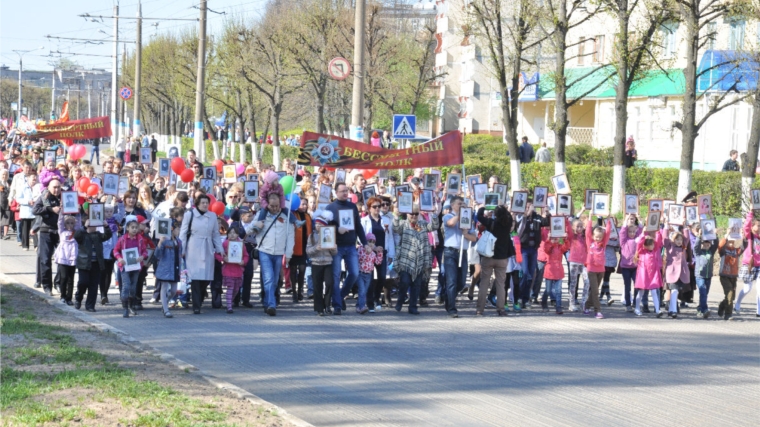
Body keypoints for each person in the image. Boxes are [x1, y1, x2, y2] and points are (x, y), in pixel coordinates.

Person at [326, 182, 368, 315]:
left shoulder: (352, 206)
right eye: (342, 191)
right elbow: (324, 228)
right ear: (336, 193)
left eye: (346, 191)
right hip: (336, 246)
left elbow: (359, 226)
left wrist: (365, 242)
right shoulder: (330, 208)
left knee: (355, 273)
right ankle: (337, 305)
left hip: (350, 245)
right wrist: (337, 230)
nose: (345, 193)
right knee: (336, 276)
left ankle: (340, 296)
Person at [249, 193, 294, 316]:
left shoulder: (286, 216)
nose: (274, 208)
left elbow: (290, 237)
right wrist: (255, 225)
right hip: (265, 251)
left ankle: (267, 300)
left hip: (279, 252)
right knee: (268, 279)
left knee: (275, 280)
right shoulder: (261, 215)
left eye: (277, 206)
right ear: (267, 204)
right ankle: (271, 304)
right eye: (272, 206)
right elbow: (248, 230)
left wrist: (289, 254)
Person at [180, 194, 224, 314]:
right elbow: (183, 233)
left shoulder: (213, 216)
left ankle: (200, 297)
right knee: (195, 277)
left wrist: (220, 249)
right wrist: (181, 250)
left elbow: (215, 234)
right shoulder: (190, 214)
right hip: (193, 246)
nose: (205, 205)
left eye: (206, 203)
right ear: (198, 203)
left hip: (207, 246)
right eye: (203, 202)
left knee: (206, 277)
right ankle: (196, 305)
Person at [393, 204, 439, 315]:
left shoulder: (422, 224)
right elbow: (395, 228)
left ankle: (412, 307)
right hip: (405, 260)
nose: (413, 216)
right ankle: (400, 300)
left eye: (416, 214)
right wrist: (396, 215)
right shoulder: (403, 224)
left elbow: (434, 226)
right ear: (407, 214)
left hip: (419, 261)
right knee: (404, 282)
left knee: (416, 285)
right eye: (411, 214)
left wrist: (433, 214)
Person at [441, 196, 477, 317]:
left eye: (463, 204)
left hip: (463, 252)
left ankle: (448, 297)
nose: (461, 205)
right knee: (451, 281)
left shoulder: (468, 219)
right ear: (452, 205)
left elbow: (474, 237)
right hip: (450, 252)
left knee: (461, 282)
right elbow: (450, 223)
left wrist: (466, 235)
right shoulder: (448, 216)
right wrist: (461, 214)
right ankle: (452, 308)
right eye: (459, 204)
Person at [475, 205, 514, 316]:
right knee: (500, 284)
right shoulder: (508, 223)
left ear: (495, 214)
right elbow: (509, 215)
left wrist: (484, 207)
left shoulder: (490, 222)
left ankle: (480, 309)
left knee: (484, 283)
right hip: (502, 258)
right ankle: (501, 309)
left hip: (488, 256)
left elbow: (479, 216)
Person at [360, 196, 394, 312]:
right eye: (374, 207)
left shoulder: (386, 220)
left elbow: (390, 238)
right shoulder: (364, 220)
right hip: (369, 253)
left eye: (379, 206)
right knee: (369, 278)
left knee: (382, 277)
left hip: (382, 253)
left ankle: (376, 297)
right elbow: (361, 238)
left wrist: (391, 254)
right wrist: (372, 247)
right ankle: (370, 303)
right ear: (369, 208)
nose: (377, 209)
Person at [73, 216, 112, 312]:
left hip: (96, 264)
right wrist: (84, 228)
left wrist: (106, 226)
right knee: (83, 282)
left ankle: (90, 305)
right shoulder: (82, 235)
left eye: (95, 225)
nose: (93, 227)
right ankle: (78, 297)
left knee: (93, 285)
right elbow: (76, 236)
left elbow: (108, 235)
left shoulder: (98, 235)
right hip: (84, 263)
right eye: (91, 225)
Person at [113, 215, 149, 318]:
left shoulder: (140, 239)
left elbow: (145, 251)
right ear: (127, 228)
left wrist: (142, 257)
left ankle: (131, 305)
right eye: (132, 227)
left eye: (136, 227)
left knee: (133, 288)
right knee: (126, 286)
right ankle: (125, 308)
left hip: (136, 267)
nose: (134, 229)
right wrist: (119, 258)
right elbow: (115, 250)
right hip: (125, 266)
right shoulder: (122, 239)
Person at [32, 178, 63, 295]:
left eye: (58, 187)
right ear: (49, 187)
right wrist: (50, 209)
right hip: (46, 231)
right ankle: (47, 286)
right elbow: (35, 210)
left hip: (61, 232)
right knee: (45, 261)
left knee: (62, 261)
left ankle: (58, 283)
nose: (56, 190)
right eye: (54, 187)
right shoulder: (44, 197)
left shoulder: (65, 196)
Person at [516, 203, 549, 308]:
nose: (528, 208)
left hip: (534, 249)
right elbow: (518, 227)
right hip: (523, 249)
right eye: (526, 207)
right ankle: (519, 297)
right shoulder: (520, 216)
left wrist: (547, 213)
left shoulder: (537, 218)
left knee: (531, 275)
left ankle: (526, 299)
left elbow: (546, 222)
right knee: (524, 273)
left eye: (530, 206)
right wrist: (525, 215)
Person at [307, 210, 337, 316]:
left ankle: (327, 305)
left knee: (329, 283)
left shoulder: (330, 234)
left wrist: (334, 248)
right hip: (316, 263)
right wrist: (316, 248)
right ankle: (319, 308)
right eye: (316, 224)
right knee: (317, 286)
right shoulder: (311, 236)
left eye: (320, 224)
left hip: (327, 262)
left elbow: (334, 252)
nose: (318, 226)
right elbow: (308, 251)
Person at [216, 222, 249, 314]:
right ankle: (229, 306)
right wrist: (223, 258)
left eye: (234, 233)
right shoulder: (225, 244)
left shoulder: (241, 244)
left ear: (238, 234)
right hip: (228, 269)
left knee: (236, 289)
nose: (232, 235)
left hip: (238, 270)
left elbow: (246, 256)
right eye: (230, 233)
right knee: (230, 288)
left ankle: (230, 301)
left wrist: (243, 261)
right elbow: (217, 254)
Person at [540, 218, 572, 314]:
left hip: (558, 270)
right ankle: (544, 302)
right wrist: (549, 240)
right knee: (548, 290)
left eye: (557, 238)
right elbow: (546, 249)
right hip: (549, 270)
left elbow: (566, 247)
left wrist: (565, 239)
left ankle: (558, 307)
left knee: (558, 290)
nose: (556, 239)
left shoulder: (560, 246)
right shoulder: (550, 245)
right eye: (555, 238)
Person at [584, 217, 612, 319]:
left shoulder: (603, 244)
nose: (598, 239)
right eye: (596, 237)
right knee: (595, 291)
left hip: (601, 270)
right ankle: (598, 311)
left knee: (594, 291)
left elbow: (608, 232)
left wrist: (608, 220)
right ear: (593, 236)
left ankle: (586, 306)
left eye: (600, 237)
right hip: (591, 269)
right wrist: (590, 218)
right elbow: (587, 232)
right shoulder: (590, 243)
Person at [734, 211, 760, 317]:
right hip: (748, 265)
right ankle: (738, 302)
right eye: (757, 225)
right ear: (753, 226)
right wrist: (751, 212)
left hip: (759, 266)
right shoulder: (749, 236)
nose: (759, 228)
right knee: (747, 289)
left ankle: (758, 310)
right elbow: (746, 226)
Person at [661, 225, 691, 318]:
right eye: (677, 239)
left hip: (681, 273)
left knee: (676, 291)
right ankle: (673, 310)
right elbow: (664, 238)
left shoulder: (683, 247)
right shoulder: (669, 246)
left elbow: (687, 238)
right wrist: (666, 226)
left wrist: (685, 227)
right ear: (673, 240)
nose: (679, 241)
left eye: (680, 240)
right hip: (672, 271)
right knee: (674, 290)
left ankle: (671, 310)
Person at [633, 230, 664, 317]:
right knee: (641, 292)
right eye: (650, 244)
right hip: (644, 275)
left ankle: (657, 310)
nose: (652, 246)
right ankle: (637, 308)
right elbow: (639, 243)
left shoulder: (654, 250)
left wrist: (657, 231)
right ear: (645, 245)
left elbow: (658, 241)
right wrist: (643, 233)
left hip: (653, 275)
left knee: (654, 292)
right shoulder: (641, 251)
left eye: (652, 244)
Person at [289, 198, 311, 302]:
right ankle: (293, 291)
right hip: (294, 246)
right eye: (302, 204)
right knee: (293, 270)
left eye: (306, 204)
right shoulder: (293, 215)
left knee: (302, 270)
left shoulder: (308, 216)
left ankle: (300, 290)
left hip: (304, 246)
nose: (304, 206)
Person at [619, 215, 643, 312]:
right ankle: (628, 304)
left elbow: (641, 231)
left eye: (634, 232)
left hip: (635, 266)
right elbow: (622, 232)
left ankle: (635, 303)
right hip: (625, 267)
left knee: (637, 285)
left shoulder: (637, 239)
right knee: (627, 286)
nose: (632, 233)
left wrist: (639, 219)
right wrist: (625, 220)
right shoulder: (624, 241)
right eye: (630, 232)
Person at [54, 214, 79, 305]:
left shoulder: (76, 232)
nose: (69, 225)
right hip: (63, 257)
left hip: (72, 257)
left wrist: (78, 212)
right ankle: (63, 296)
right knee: (63, 277)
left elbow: (79, 222)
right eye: (67, 223)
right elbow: (59, 222)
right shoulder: (62, 232)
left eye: (72, 223)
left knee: (70, 278)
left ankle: (69, 298)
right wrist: (61, 212)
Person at [356, 233, 383, 314]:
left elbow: (378, 262)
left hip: (368, 274)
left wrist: (380, 253)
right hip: (360, 273)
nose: (371, 243)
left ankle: (358, 305)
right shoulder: (361, 249)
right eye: (369, 241)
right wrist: (367, 252)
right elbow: (360, 259)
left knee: (364, 290)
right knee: (362, 290)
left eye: (373, 242)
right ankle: (362, 307)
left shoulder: (373, 253)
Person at [718, 234, 743, 320]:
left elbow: (745, 246)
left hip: (733, 276)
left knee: (731, 297)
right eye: (729, 242)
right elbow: (720, 246)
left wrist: (745, 237)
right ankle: (728, 314)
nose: (731, 244)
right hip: (724, 275)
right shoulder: (723, 251)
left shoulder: (737, 251)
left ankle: (722, 305)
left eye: (733, 242)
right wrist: (726, 236)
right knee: (729, 294)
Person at [693, 231, 718, 318]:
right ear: (702, 244)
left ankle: (700, 309)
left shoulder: (711, 252)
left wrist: (716, 234)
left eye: (708, 244)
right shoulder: (698, 252)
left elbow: (716, 244)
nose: (706, 246)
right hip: (700, 276)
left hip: (708, 276)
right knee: (703, 292)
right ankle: (705, 309)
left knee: (705, 294)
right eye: (704, 244)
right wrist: (699, 237)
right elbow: (696, 246)